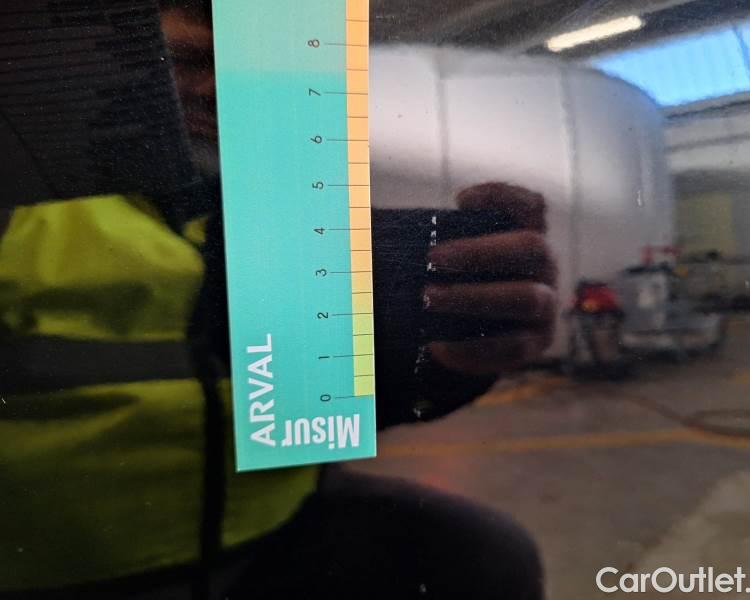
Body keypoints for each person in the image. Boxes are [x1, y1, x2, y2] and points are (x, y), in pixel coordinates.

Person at [0, 1, 557, 598]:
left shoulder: (268, 212)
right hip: (61, 568)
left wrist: (440, 365)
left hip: (268, 531)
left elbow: (299, 417)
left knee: (484, 554)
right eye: (186, 61)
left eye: (246, 73)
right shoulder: (28, 204)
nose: (218, 91)